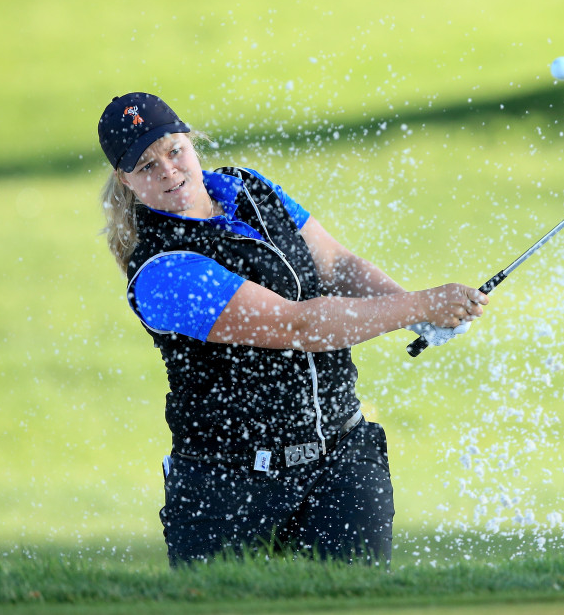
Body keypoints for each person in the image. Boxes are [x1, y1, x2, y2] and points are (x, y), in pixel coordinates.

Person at [97, 92, 488, 566]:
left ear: (192, 143)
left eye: (174, 151)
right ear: (125, 180)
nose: (169, 171)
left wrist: (415, 310)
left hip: (341, 462)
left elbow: (337, 265)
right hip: (228, 490)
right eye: (146, 166)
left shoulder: (249, 188)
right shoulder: (161, 271)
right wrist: (419, 305)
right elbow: (300, 326)